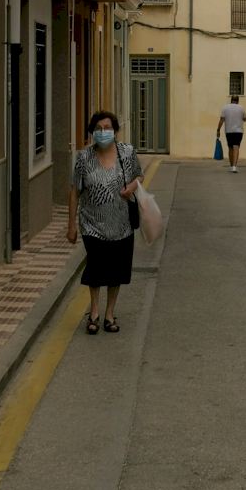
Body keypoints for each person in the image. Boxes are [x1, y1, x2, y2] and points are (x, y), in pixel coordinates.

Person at [67, 110, 142, 334]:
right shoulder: (84, 158)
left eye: (107, 128)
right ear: (92, 132)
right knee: (96, 267)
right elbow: (75, 191)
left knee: (116, 270)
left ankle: (110, 313)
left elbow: (139, 175)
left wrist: (131, 187)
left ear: (115, 130)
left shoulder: (127, 152)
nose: (103, 132)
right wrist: (71, 225)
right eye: (98, 129)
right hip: (92, 224)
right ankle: (94, 312)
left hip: (122, 224)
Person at [217, 92, 246, 172]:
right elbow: (245, 119)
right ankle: (234, 166)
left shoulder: (225, 108)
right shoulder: (241, 108)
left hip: (229, 131)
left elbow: (221, 120)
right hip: (239, 131)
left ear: (231, 100)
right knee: (236, 147)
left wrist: (218, 130)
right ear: (238, 100)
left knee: (230, 148)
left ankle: (231, 166)